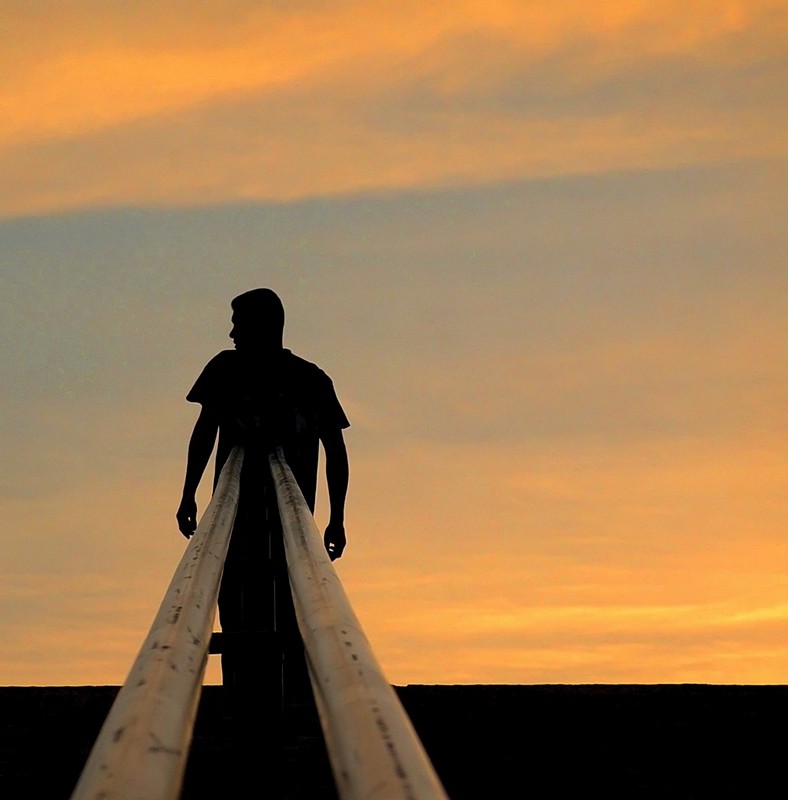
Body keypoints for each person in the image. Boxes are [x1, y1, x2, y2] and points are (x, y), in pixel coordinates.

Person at [175, 288, 350, 698]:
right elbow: (204, 432)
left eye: (239, 323)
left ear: (264, 326)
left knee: (294, 602)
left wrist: (337, 518)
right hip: (233, 519)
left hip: (292, 522)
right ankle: (242, 691)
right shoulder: (226, 368)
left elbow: (336, 450)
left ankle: (292, 695)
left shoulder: (310, 379)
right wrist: (188, 493)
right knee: (235, 601)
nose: (232, 332)